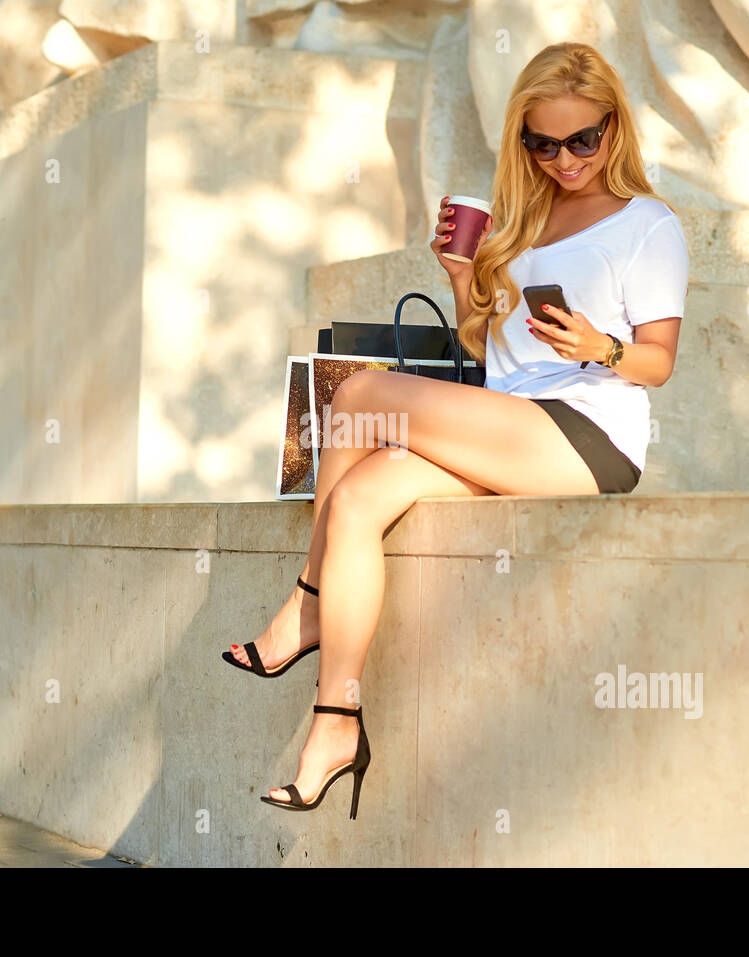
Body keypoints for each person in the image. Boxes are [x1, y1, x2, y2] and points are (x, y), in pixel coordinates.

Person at [223, 41, 689, 818]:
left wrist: (599, 347)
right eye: (544, 142)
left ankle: (306, 603)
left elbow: (659, 362)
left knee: (362, 394)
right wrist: (468, 280)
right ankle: (336, 723)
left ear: (615, 128)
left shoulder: (647, 225)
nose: (566, 158)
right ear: (522, 141)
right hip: (512, 424)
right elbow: (488, 350)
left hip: (585, 438)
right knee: (358, 500)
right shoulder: (524, 223)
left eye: (583, 139)